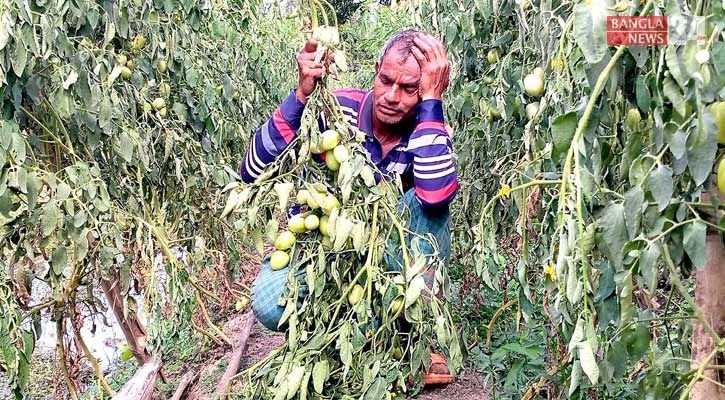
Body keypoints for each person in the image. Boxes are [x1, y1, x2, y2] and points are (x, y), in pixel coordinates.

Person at [239, 29, 458, 385]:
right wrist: (300, 97)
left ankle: (405, 337)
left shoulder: (427, 129)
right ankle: (357, 333)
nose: (391, 96)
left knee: (426, 206)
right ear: (375, 70)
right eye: (386, 80)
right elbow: (251, 172)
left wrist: (432, 102)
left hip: (383, 259)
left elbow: (436, 197)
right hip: (322, 252)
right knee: (268, 303)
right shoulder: (335, 109)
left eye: (410, 89)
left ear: (428, 89)